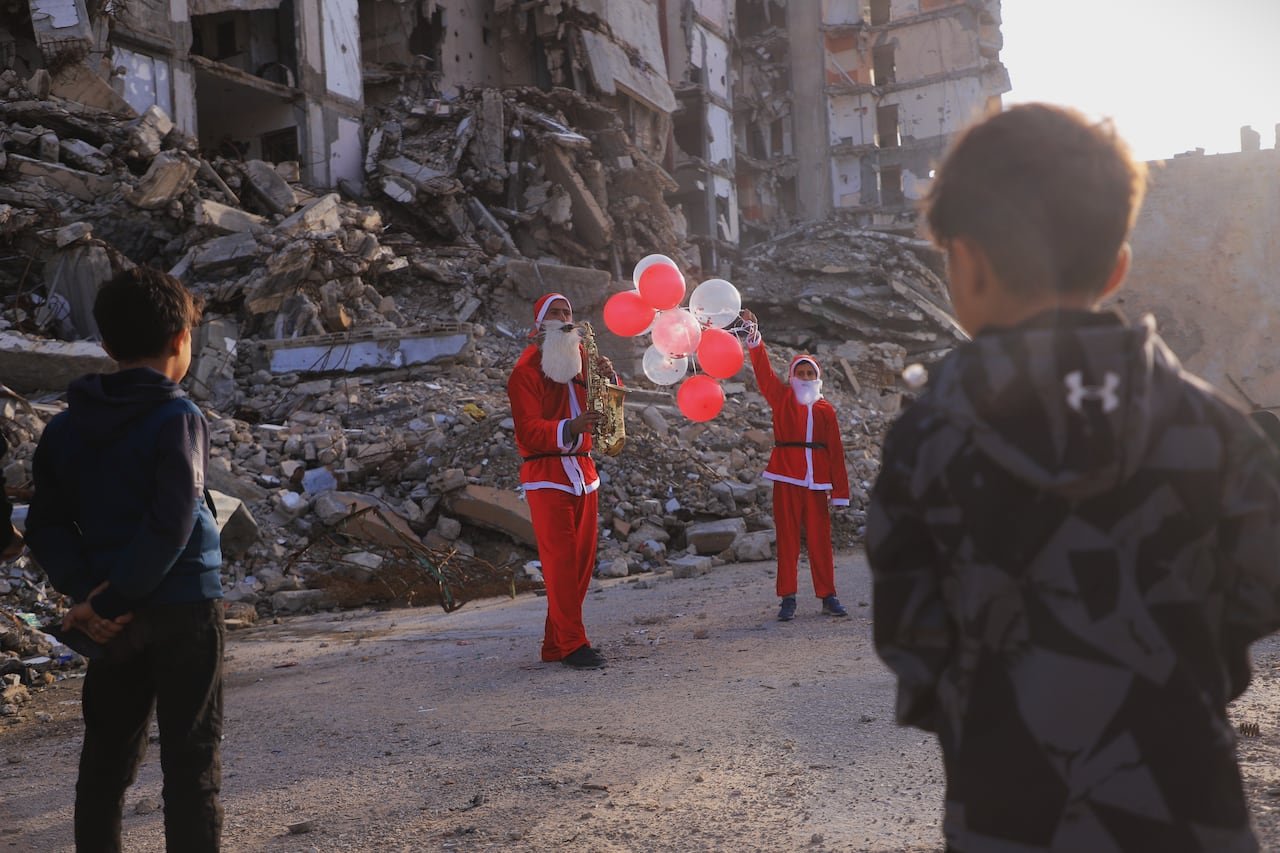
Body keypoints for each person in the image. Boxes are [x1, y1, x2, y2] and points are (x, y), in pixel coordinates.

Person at [868, 103, 1280, 853]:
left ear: (966, 263)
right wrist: (1182, 671)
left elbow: (909, 634)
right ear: (1117, 267)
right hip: (1191, 819)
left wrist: (986, 702)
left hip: (1005, 818)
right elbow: (1263, 584)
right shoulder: (1210, 427)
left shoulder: (923, 441)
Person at [26, 266, 225, 852]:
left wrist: (92, 598)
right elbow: (173, 522)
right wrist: (112, 599)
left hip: (110, 620)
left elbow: (46, 524)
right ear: (181, 340)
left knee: (106, 762)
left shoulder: (65, 429)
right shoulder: (178, 417)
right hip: (185, 608)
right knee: (191, 762)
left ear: (107, 346)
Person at [507, 292, 613, 669]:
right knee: (561, 565)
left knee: (581, 564)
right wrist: (571, 426)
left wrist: (607, 379)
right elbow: (529, 430)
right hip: (546, 475)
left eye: (568, 311)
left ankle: (554, 644)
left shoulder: (582, 360)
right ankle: (573, 644)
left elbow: (600, 405)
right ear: (540, 323)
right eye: (555, 312)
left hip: (584, 473)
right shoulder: (525, 371)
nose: (564, 317)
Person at [740, 309, 851, 621]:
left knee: (820, 540)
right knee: (787, 539)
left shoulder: (826, 410)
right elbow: (763, 374)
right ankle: (787, 598)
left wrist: (840, 492)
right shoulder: (782, 398)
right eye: (799, 373)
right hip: (787, 476)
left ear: (817, 378)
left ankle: (828, 595)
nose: (804, 377)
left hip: (817, 483)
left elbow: (836, 453)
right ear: (792, 376)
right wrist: (754, 337)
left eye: (809, 373)